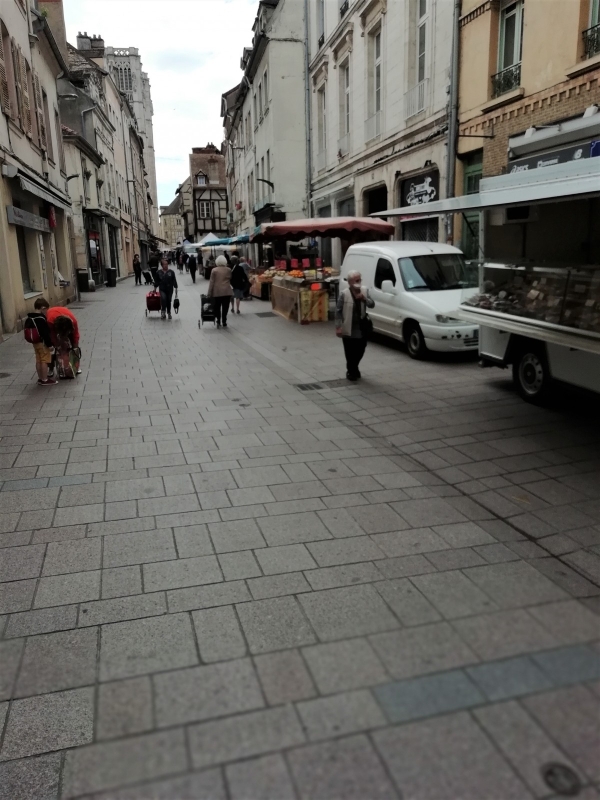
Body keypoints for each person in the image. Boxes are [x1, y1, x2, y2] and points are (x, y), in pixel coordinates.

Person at [335, 270, 375, 381]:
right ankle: (352, 371)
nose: (359, 282)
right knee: (349, 352)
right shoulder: (344, 294)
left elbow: (372, 304)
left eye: (360, 279)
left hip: (361, 327)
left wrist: (364, 299)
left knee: (361, 349)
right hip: (348, 327)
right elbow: (338, 311)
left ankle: (354, 367)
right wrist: (338, 327)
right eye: (357, 280)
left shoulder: (365, 291)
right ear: (350, 282)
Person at [26, 297, 56, 386]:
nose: (46, 312)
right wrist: (49, 345)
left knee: (38, 360)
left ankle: (40, 378)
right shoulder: (40, 319)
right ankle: (45, 379)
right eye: (46, 309)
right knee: (44, 360)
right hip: (42, 343)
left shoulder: (30, 317)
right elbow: (45, 333)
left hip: (35, 342)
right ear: (42, 308)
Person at [47, 304, 82, 377]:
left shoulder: (73, 322)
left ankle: (76, 366)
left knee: (74, 347)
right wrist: (58, 347)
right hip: (53, 318)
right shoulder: (50, 321)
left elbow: (76, 336)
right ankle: (50, 368)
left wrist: (75, 349)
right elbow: (52, 337)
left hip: (65, 319)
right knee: (52, 350)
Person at [207, 255, 232, 328]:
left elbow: (211, 282)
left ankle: (218, 320)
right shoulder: (228, 269)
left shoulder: (214, 270)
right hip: (227, 291)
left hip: (217, 291)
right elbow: (230, 278)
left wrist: (209, 293)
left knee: (217, 307)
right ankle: (224, 321)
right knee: (226, 307)